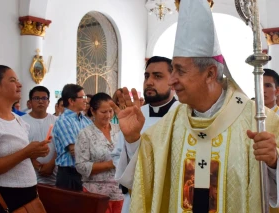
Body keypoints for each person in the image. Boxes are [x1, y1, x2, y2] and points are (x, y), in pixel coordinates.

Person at [109, 0, 279, 212]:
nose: (171, 81)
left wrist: (274, 163)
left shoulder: (260, 122)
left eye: (180, 71)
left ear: (209, 74)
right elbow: (145, 180)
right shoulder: (172, 122)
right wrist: (134, 139)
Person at [111, 56, 179, 213]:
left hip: (169, 199)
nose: (149, 81)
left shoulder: (184, 115)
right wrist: (131, 141)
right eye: (147, 76)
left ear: (173, 81)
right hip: (136, 198)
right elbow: (118, 156)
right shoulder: (133, 115)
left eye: (158, 76)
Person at [0, 65, 50, 212]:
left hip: (29, 191)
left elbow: (21, 157)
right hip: (8, 194)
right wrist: (27, 152)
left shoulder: (19, 120)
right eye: (13, 80)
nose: (20, 84)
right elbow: (22, 154)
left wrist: (35, 152)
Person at [75, 93, 123, 213]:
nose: (108, 115)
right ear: (93, 111)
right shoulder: (85, 134)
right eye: (103, 112)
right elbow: (81, 166)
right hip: (96, 194)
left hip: (119, 192)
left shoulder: (119, 130)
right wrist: (111, 164)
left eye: (111, 111)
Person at [52, 84, 92, 191]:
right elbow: (75, 150)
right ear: (71, 101)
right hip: (69, 175)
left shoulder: (86, 120)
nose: (85, 100)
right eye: (82, 97)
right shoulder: (64, 121)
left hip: (85, 174)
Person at [22, 86, 57, 186]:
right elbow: (19, 147)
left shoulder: (57, 121)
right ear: (30, 102)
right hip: (30, 175)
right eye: (37, 98)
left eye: (44, 98)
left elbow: (61, 146)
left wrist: (51, 164)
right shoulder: (22, 121)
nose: (40, 101)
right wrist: (33, 162)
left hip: (54, 175)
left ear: (48, 102)